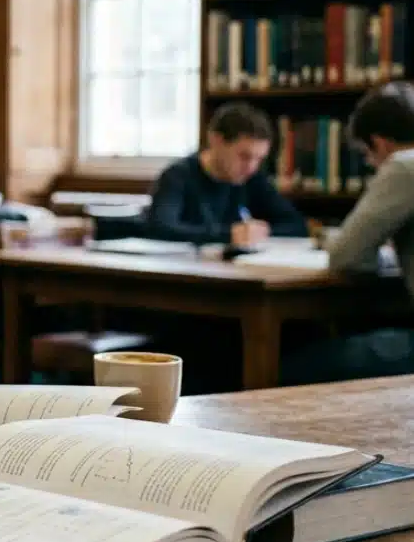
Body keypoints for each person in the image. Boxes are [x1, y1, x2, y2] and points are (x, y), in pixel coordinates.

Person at [282, 82, 414, 384]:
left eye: (368, 156)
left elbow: (345, 257)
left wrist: (356, 251)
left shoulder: (403, 166)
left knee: (294, 365)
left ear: (379, 144)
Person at [143, 102, 308, 245]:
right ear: (216, 140)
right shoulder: (177, 176)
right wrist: (229, 235)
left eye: (259, 159)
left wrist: (260, 231)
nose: (251, 167)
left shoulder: (250, 178)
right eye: (244, 156)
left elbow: (296, 224)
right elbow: (161, 228)